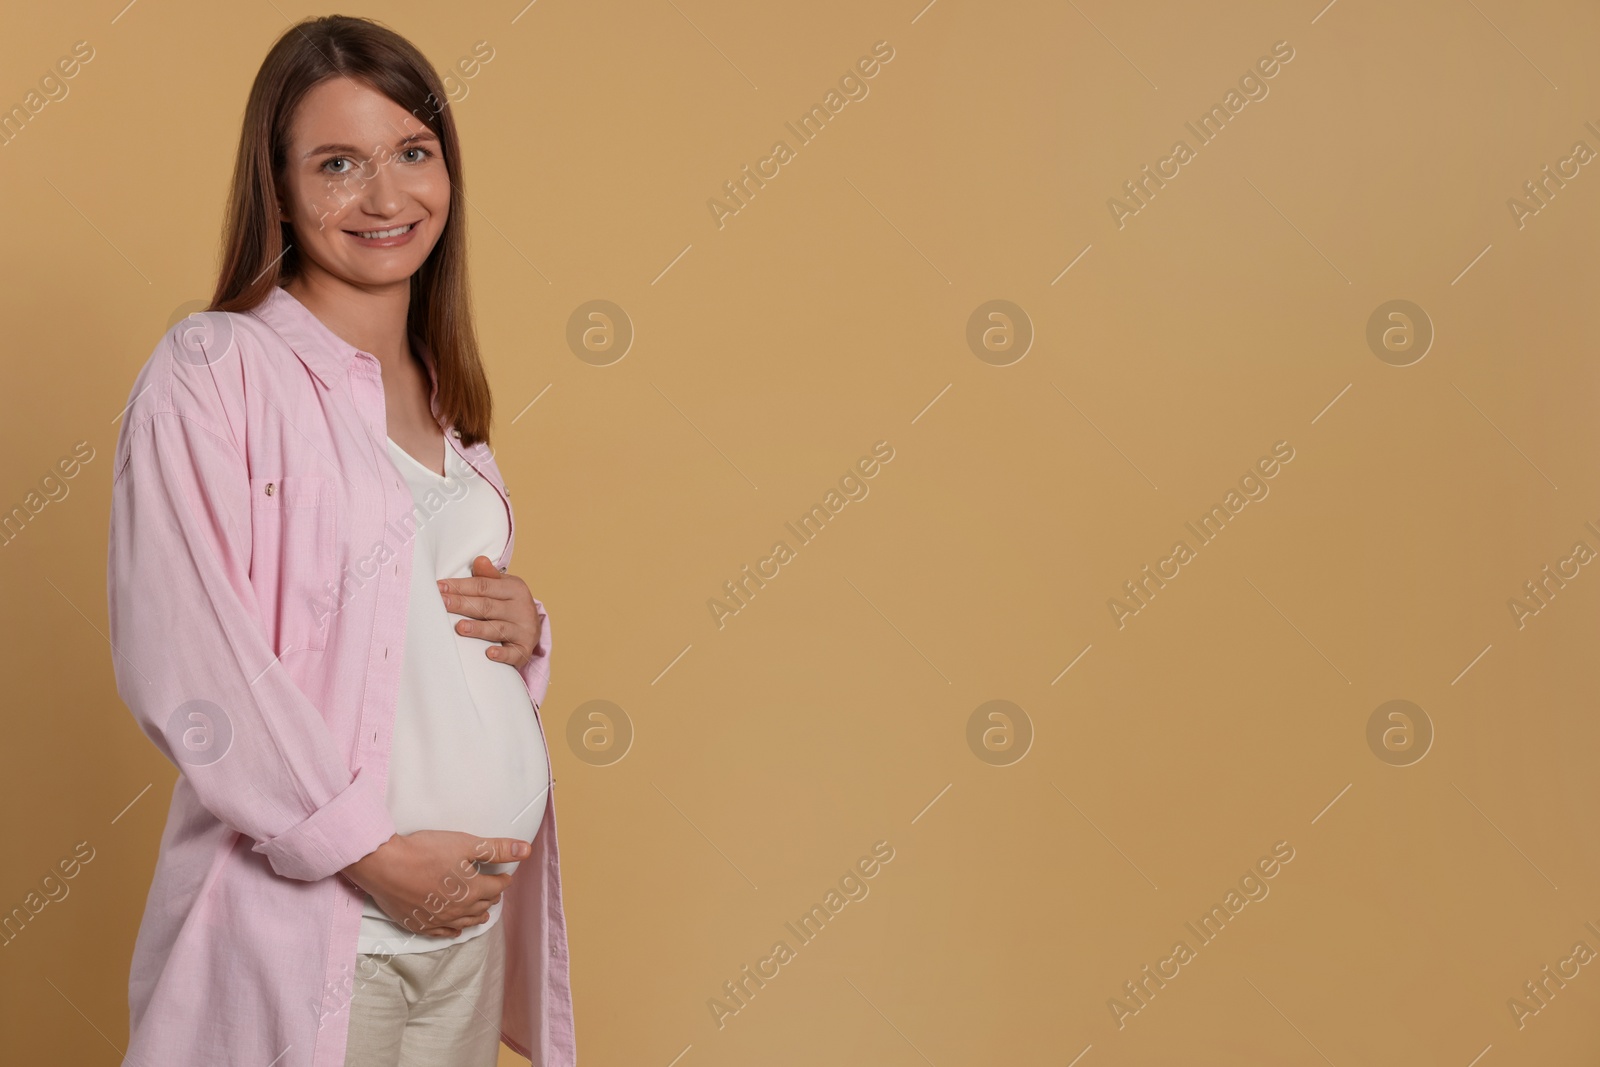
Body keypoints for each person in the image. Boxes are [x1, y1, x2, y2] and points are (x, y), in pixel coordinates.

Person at [105, 15, 575, 1067]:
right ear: (277, 186)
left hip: (466, 928)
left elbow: (397, 630)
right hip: (331, 932)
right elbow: (190, 658)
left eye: (413, 152)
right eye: (337, 164)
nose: (386, 196)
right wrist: (368, 854)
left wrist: (526, 628)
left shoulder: (449, 400)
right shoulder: (215, 370)